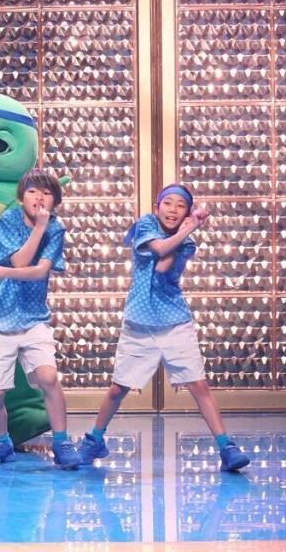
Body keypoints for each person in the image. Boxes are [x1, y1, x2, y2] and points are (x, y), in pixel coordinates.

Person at [76, 184, 250, 472]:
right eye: (168, 203)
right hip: (139, 322)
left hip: (174, 322)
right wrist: (190, 227)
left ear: (187, 212)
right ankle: (94, 439)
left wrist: (186, 231)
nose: (173, 210)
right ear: (157, 207)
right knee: (118, 388)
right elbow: (158, 250)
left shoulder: (187, 243)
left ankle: (226, 447)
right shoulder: (146, 224)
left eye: (181, 206)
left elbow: (163, 266)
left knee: (199, 385)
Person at [0, 170, 80, 469]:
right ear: (21, 198)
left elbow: (39, 271)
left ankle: (61, 443)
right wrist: (38, 229)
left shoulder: (55, 228)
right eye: (33, 191)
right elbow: (21, 260)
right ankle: (1, 443)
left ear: (55, 201)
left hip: (33, 318)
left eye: (46, 193)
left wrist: (2, 272)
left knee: (48, 378)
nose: (39, 197)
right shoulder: (9, 219)